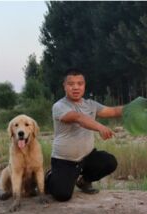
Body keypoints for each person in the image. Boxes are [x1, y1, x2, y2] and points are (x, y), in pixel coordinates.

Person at [45, 68, 123, 202]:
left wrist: (136, 107)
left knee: (109, 162)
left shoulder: (91, 105)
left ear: (84, 86)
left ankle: (84, 181)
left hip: (86, 157)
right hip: (64, 160)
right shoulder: (59, 106)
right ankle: (50, 176)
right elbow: (78, 118)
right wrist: (99, 127)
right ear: (64, 86)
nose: (75, 87)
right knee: (62, 195)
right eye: (71, 84)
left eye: (80, 83)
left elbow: (114, 111)